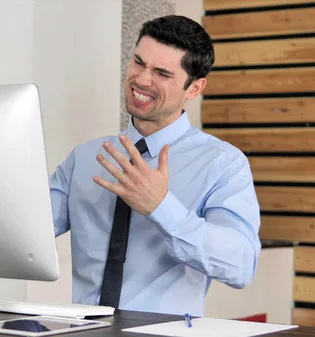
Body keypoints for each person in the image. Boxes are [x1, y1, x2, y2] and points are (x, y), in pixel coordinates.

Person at [49, 14, 261, 317]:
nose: (142, 79)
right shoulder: (84, 158)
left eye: (162, 73)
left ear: (195, 88)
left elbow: (240, 266)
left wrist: (161, 207)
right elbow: (25, 232)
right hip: (85, 330)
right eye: (139, 62)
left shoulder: (222, 164)